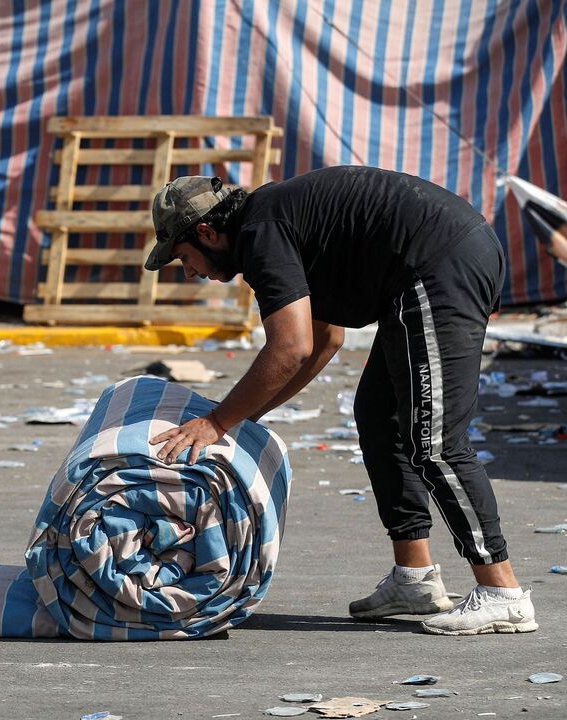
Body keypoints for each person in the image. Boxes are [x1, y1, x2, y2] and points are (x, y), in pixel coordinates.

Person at [144, 167, 536, 636]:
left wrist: (217, 422)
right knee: (378, 417)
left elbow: (289, 348)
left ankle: (502, 594)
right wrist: (245, 418)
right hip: (422, 272)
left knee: (435, 442)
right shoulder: (268, 227)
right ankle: (415, 579)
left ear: (207, 232)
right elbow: (324, 339)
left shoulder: (261, 233)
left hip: (438, 264)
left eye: (184, 257)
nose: (190, 272)